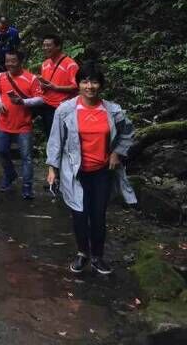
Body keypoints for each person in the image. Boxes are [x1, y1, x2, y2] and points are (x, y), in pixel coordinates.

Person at [46, 63, 137, 275]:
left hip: (102, 171)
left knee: (98, 215)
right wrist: (53, 168)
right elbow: (55, 140)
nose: (90, 86)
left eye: (94, 81)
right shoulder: (65, 109)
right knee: (79, 213)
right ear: (78, 84)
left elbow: (127, 133)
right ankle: (82, 253)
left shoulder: (112, 110)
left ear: (101, 85)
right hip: (75, 171)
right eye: (85, 81)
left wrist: (116, 153)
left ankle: (97, 256)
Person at [0, 49, 43, 199]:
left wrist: (24, 102)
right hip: (3, 122)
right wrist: (0, 102)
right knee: (1, 151)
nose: (10, 64)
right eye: (7, 61)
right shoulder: (1, 76)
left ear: (20, 61)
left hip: (24, 124)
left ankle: (27, 187)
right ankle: (10, 174)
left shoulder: (31, 78)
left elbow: (41, 99)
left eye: (13, 61)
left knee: (26, 157)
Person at [38, 34, 79, 138]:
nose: (45, 48)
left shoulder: (70, 64)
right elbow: (46, 84)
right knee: (50, 136)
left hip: (62, 107)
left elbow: (77, 86)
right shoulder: (45, 64)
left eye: (48, 45)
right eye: (44, 45)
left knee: (62, 137)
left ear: (58, 46)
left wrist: (56, 88)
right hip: (46, 105)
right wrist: (42, 86)